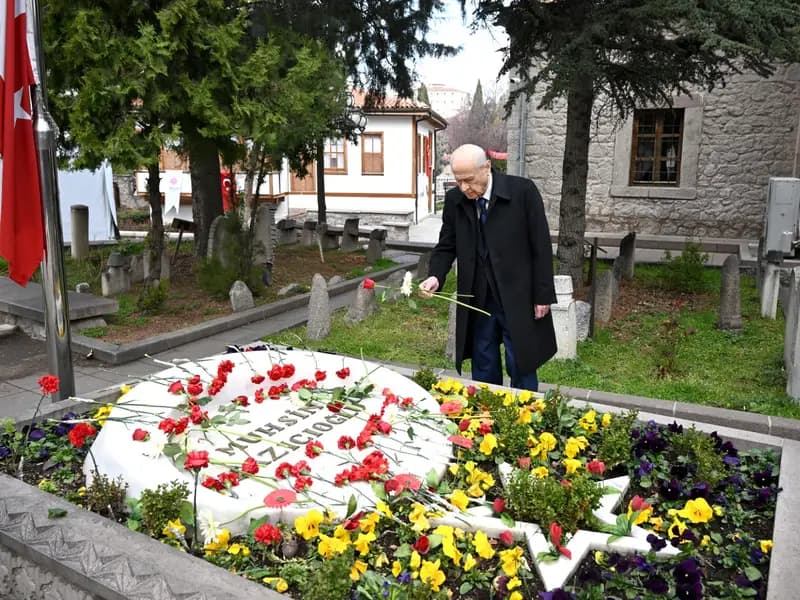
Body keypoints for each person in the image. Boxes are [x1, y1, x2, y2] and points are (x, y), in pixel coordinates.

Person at [419, 144, 557, 391]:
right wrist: (435, 276)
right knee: (483, 362)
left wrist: (543, 295)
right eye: (458, 181)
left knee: (521, 362)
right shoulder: (454, 201)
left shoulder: (522, 192)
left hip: (517, 296)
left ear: (487, 167)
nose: (463, 187)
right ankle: (487, 418)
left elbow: (541, 246)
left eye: (468, 180)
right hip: (478, 298)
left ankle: (525, 415)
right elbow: (446, 245)